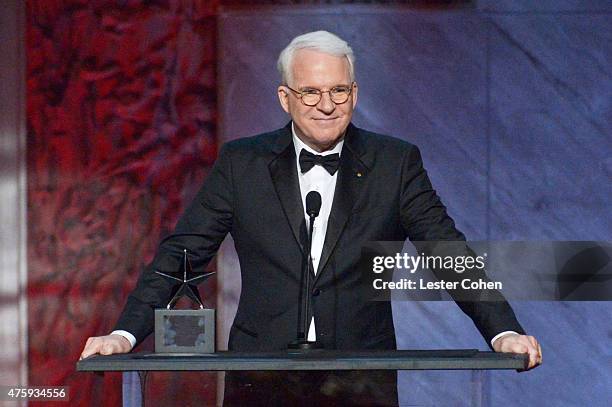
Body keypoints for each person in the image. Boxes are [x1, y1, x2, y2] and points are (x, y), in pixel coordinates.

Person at [80, 30, 542, 405]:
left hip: (362, 379)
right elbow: (185, 251)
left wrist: (502, 330)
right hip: (260, 377)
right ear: (285, 97)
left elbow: (446, 250)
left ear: (355, 93)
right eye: (311, 91)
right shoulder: (243, 163)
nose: (326, 104)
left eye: (339, 90)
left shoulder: (394, 162)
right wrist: (126, 333)